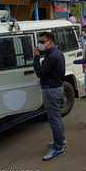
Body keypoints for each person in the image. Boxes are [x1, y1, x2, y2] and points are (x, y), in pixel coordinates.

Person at [33, 32, 66, 161]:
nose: (40, 44)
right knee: (56, 117)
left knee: (54, 119)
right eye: (39, 41)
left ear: (50, 42)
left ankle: (58, 148)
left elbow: (40, 73)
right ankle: (60, 141)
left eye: (43, 42)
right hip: (56, 87)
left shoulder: (52, 56)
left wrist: (36, 58)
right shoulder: (55, 53)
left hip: (51, 90)